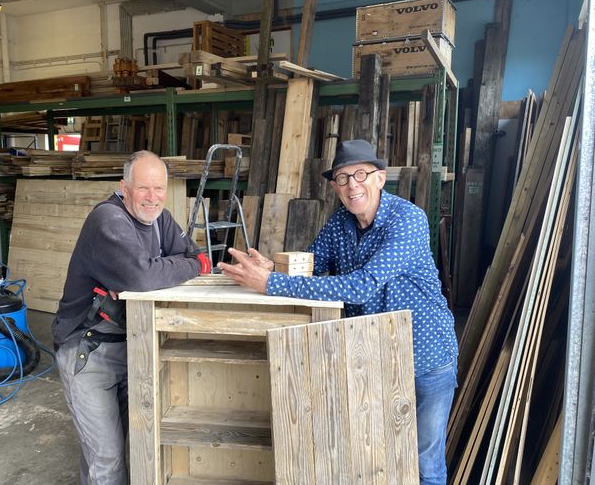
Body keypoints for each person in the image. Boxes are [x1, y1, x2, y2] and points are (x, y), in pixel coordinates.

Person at [219, 139, 458, 485]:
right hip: (371, 359)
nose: (352, 185)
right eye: (343, 178)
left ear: (380, 178)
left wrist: (270, 283)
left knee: (424, 466)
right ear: (334, 187)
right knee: (374, 456)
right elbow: (312, 269)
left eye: (360, 174)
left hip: (425, 359)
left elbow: (362, 285)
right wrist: (274, 267)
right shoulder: (339, 223)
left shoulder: (408, 219)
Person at [52, 150, 202, 485]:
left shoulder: (158, 219)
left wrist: (172, 268)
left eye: (159, 189)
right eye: (144, 189)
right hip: (88, 353)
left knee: (126, 451)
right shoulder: (108, 219)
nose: (153, 198)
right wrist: (150, 274)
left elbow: (193, 254)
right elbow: (143, 277)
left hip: (130, 347)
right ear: (124, 187)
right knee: (107, 460)